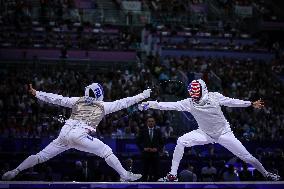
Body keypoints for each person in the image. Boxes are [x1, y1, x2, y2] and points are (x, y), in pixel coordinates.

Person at [2, 83, 151, 182]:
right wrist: (144, 95)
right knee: (106, 151)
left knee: (41, 156)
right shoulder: (104, 105)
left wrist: (36, 93)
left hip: (64, 135)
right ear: (99, 94)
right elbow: (126, 101)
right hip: (80, 135)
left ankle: (15, 170)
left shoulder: (77, 100)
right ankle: (125, 175)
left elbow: (57, 99)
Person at [140, 79, 280, 181]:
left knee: (247, 157)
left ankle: (267, 174)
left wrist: (250, 103)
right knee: (181, 141)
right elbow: (168, 105)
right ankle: (173, 175)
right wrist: (151, 104)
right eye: (192, 96)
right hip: (204, 133)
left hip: (224, 134)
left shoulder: (214, 97)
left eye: (196, 95)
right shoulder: (189, 103)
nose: (194, 98)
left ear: (203, 91)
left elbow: (232, 101)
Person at [137, 116, 164, 181]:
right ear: (147, 123)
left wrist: (157, 149)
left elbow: (162, 143)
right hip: (145, 155)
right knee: (144, 172)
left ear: (154, 122)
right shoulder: (142, 131)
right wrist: (143, 148)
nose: (151, 122)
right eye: (149, 121)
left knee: (156, 173)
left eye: (152, 121)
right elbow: (138, 142)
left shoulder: (158, 131)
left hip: (155, 155)